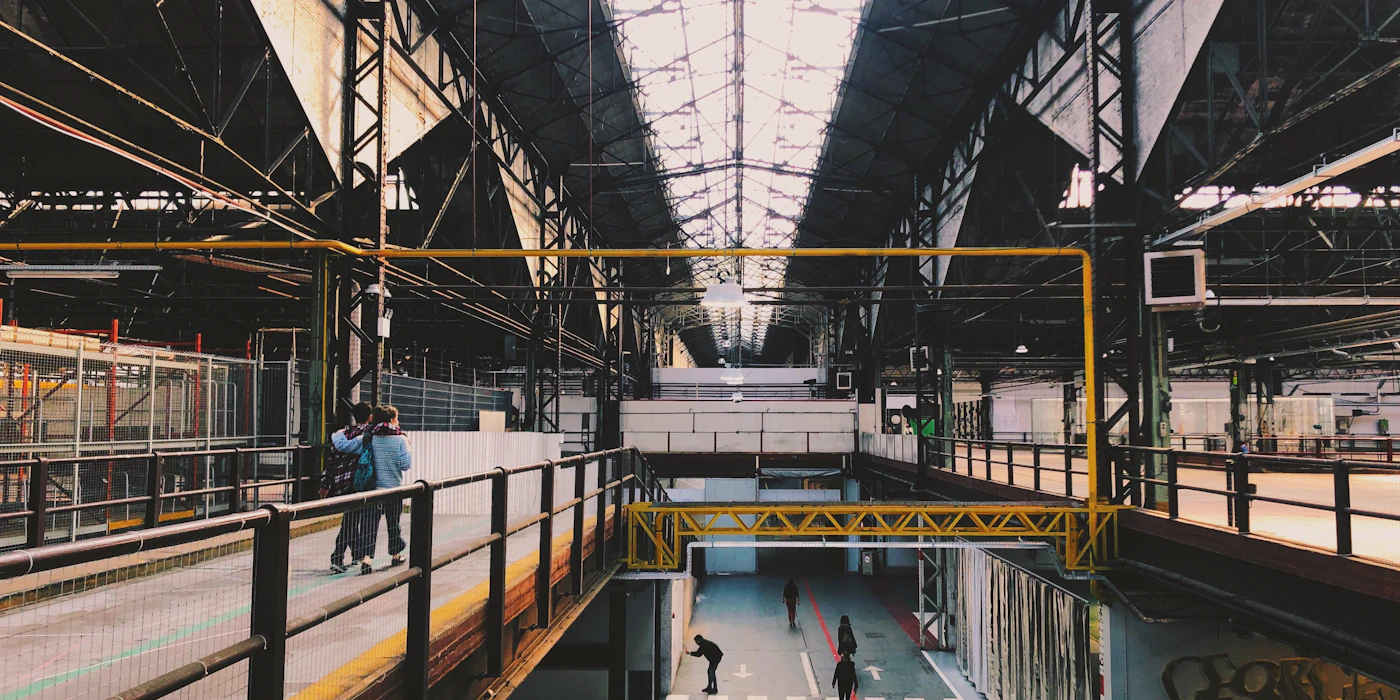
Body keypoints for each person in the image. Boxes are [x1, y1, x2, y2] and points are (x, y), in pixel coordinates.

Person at [334, 404, 413, 575]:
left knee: (369, 525)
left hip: (372, 490)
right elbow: (406, 465)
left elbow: (344, 446)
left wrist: (338, 434)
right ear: (392, 420)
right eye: (396, 418)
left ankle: (367, 560)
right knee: (393, 524)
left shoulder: (368, 437)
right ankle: (396, 555)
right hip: (394, 489)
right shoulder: (401, 439)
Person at [324, 402, 374, 573]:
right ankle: (337, 558)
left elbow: (330, 461)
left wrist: (325, 483)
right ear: (370, 417)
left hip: (340, 482)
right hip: (359, 482)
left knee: (350, 518)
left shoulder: (341, 435)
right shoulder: (370, 435)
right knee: (350, 521)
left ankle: (357, 553)